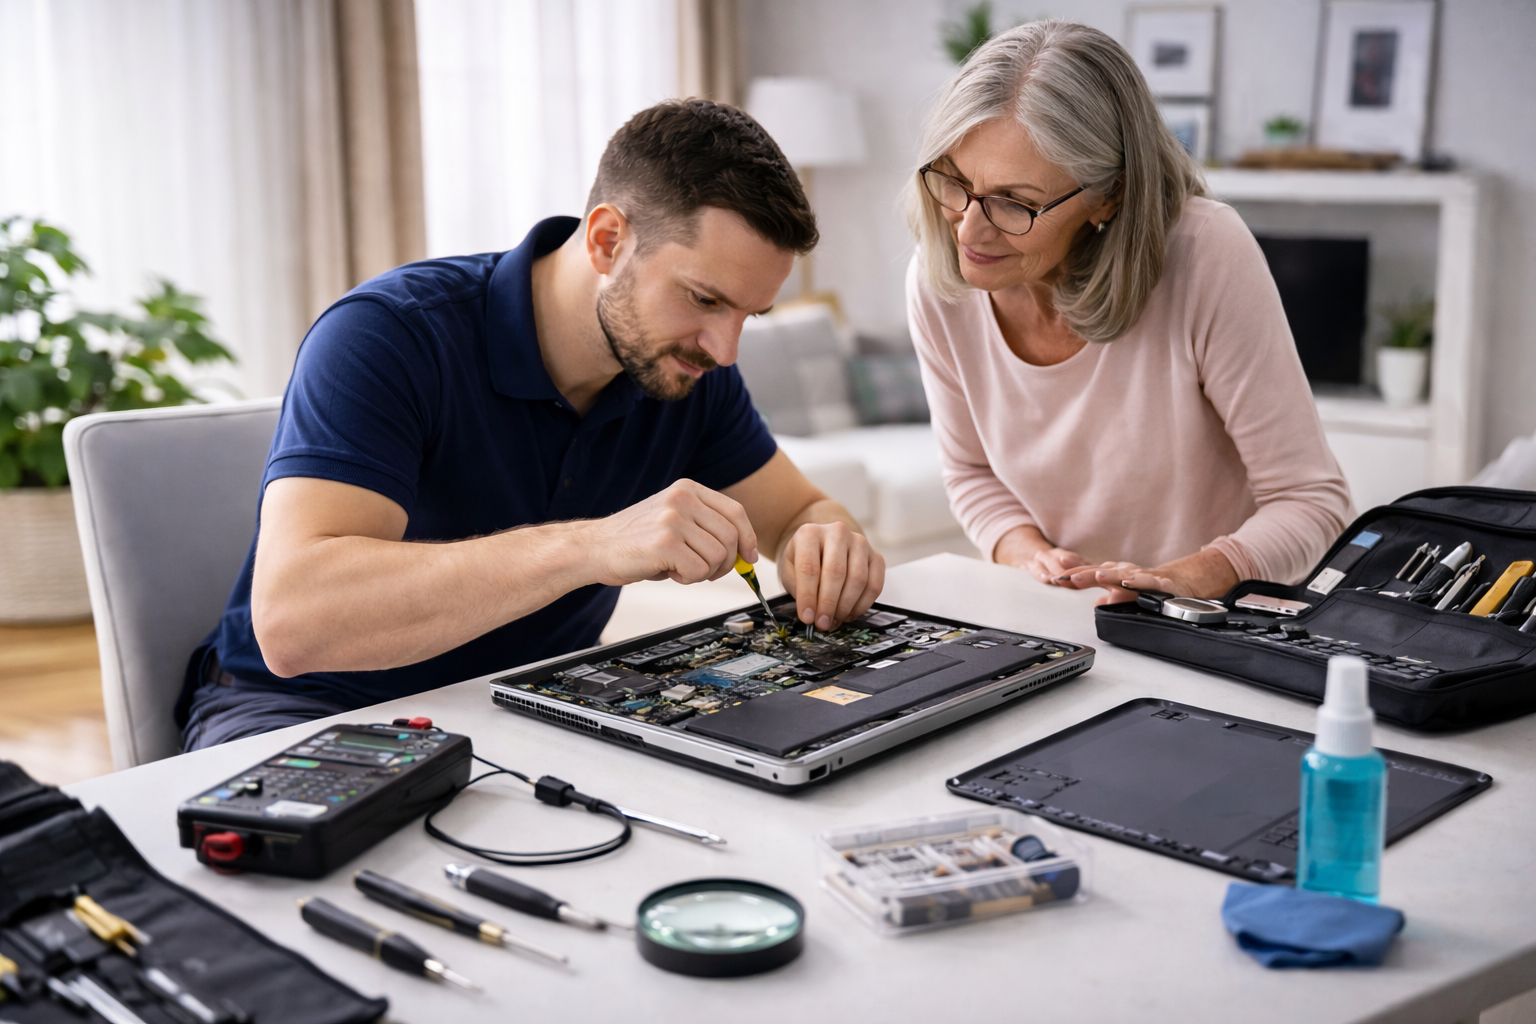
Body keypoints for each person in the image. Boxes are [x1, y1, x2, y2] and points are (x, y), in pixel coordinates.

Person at [181, 100, 886, 749]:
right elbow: (293, 623)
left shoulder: (691, 372)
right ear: (608, 240)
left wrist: (824, 544)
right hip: (306, 710)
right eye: (703, 298)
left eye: (747, 315)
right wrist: (593, 547)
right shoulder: (387, 338)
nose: (725, 348)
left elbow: (799, 513)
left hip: (525, 708)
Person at [905, 22, 1352, 605]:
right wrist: (1031, 555)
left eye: (1016, 202)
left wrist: (1188, 580)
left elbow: (1313, 502)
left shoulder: (1205, 253)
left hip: (1219, 618)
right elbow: (971, 475)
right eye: (955, 182)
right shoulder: (940, 281)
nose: (970, 229)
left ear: (1109, 195)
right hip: (1063, 616)